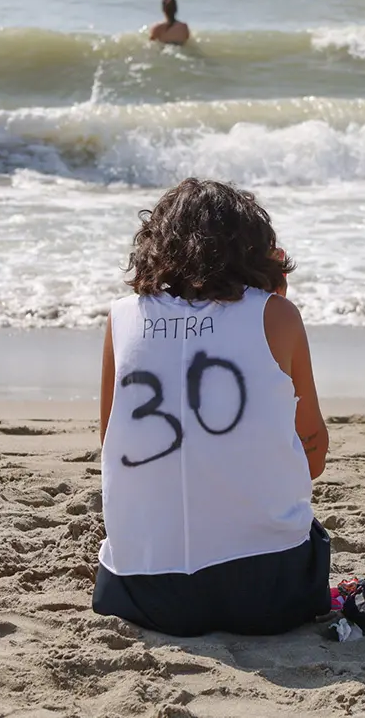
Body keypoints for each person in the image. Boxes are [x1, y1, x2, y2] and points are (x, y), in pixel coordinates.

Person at [92, 178, 331, 637]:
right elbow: (313, 459)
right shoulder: (277, 315)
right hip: (267, 592)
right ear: (253, 248)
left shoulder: (122, 318)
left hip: (140, 590)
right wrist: (275, 294)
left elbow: (112, 443)